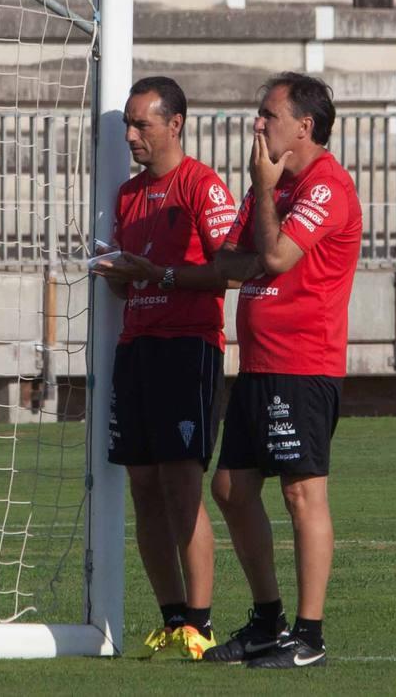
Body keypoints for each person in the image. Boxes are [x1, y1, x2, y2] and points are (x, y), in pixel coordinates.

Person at [206, 72, 361, 669]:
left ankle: (310, 636)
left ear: (304, 125)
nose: (257, 124)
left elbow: (271, 257)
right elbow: (228, 262)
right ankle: (267, 619)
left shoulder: (326, 187)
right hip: (260, 363)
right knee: (230, 488)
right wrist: (264, 203)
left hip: (304, 363)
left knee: (302, 493)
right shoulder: (270, 186)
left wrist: (263, 196)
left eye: (268, 115)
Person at [92, 76, 238, 661]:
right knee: (144, 487)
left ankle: (199, 625)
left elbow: (230, 269)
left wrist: (157, 273)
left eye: (141, 124)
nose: (130, 135)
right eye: (127, 124)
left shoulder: (202, 186)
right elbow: (136, 283)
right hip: (137, 349)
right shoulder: (128, 197)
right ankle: (172, 617)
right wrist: (124, 274)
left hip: (188, 348)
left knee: (182, 488)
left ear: (174, 123)